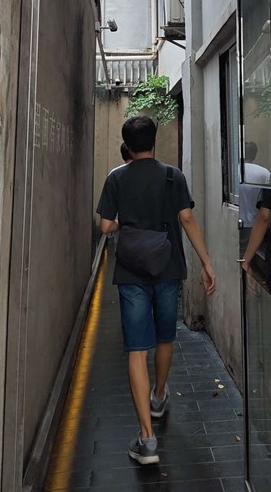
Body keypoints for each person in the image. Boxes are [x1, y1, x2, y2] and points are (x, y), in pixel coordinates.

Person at [96, 115, 216, 466]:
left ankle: (147, 440)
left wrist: (125, 223)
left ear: (127, 144)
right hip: (168, 267)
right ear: (154, 140)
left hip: (131, 271)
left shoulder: (116, 177)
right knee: (165, 337)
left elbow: (105, 225)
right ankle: (159, 396)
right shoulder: (172, 176)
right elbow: (187, 218)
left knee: (137, 350)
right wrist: (206, 262)